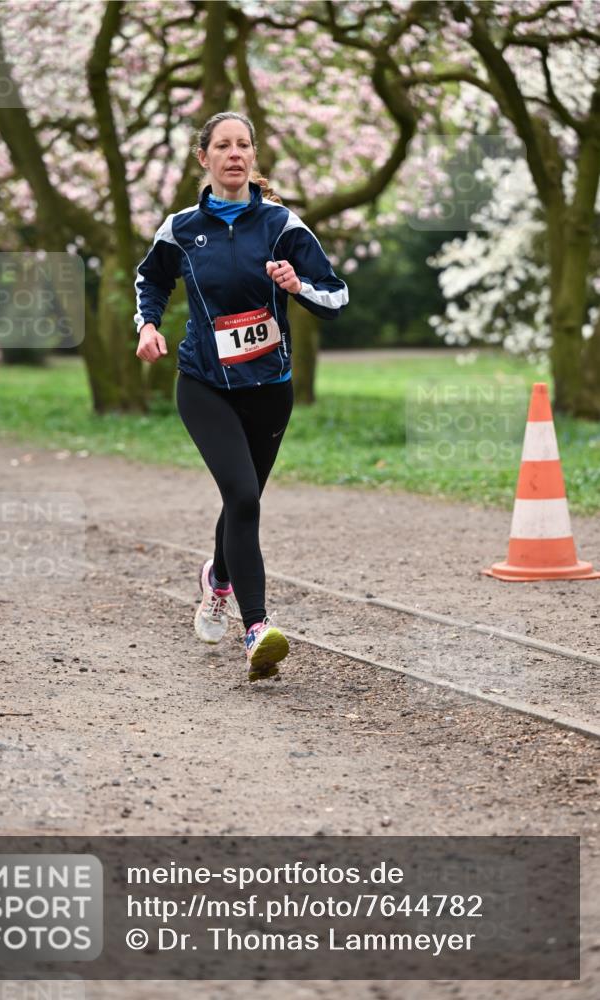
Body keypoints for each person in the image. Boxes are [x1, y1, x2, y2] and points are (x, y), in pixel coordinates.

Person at [134, 111, 348, 681]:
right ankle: (257, 628)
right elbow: (151, 280)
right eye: (223, 146)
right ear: (203, 158)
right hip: (203, 383)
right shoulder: (180, 228)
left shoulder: (281, 225)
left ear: (253, 156)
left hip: (270, 389)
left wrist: (297, 286)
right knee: (245, 496)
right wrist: (147, 325)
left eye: (244, 145)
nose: (235, 154)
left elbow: (337, 294)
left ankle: (217, 579)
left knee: (241, 500)